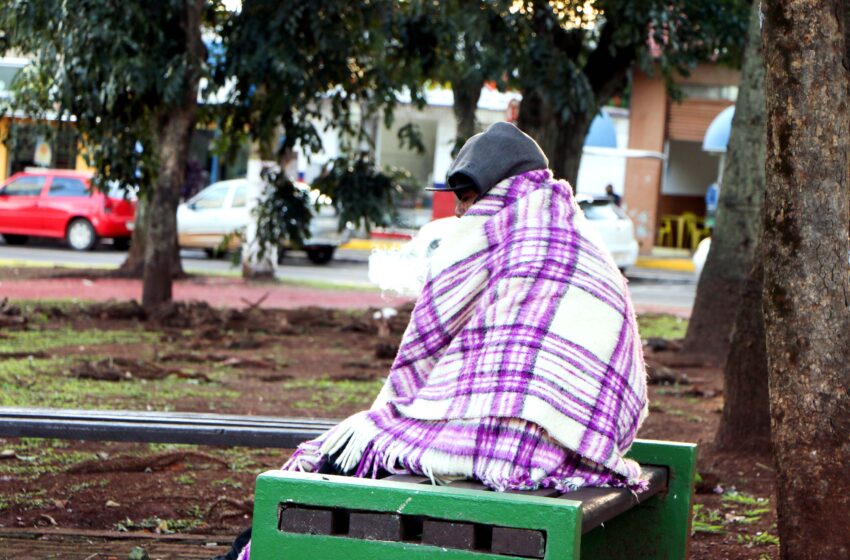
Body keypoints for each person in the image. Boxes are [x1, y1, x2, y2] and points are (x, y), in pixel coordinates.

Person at [223, 122, 648, 560]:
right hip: (579, 451)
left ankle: (246, 553)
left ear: (500, 190)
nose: (463, 213)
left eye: (468, 198)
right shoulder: (577, 240)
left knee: (333, 464)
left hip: (507, 453)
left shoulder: (508, 237)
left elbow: (429, 344)